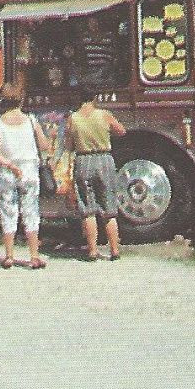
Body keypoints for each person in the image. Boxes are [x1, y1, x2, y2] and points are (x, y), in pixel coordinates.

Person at [0, 88, 51, 269]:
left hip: (8, 171)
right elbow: (44, 145)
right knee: (30, 210)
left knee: (8, 211)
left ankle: (9, 255)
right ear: (22, 100)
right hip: (29, 170)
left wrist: (8, 164)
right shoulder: (31, 120)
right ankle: (34, 255)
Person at [69, 85, 129, 261]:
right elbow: (121, 131)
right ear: (94, 98)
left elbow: (69, 144)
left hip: (83, 160)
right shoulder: (104, 115)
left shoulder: (73, 118)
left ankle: (93, 251)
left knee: (88, 209)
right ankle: (114, 250)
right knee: (109, 208)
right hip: (104, 159)